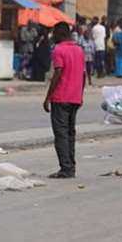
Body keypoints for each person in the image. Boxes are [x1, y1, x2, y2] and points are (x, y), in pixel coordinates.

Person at [43, 22, 85, 179]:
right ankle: (71, 166)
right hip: (74, 97)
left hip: (61, 98)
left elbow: (58, 73)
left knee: (61, 134)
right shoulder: (79, 50)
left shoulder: (59, 50)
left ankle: (66, 168)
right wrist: (80, 95)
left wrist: (48, 97)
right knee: (70, 133)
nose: (52, 37)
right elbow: (83, 75)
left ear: (59, 34)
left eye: (54, 33)